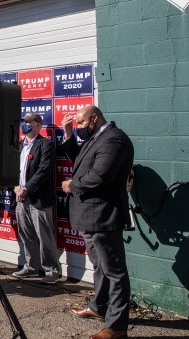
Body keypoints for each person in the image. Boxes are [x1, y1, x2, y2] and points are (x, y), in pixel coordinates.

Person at [61, 106, 134, 339]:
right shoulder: (97, 137)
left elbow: (99, 176)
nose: (79, 127)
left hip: (103, 215)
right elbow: (82, 162)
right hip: (90, 216)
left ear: (94, 118)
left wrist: (71, 185)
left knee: (114, 272)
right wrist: (68, 133)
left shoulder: (114, 139)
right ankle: (98, 308)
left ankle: (116, 327)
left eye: (81, 123)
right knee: (99, 266)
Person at [12, 113, 60, 284]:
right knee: (26, 235)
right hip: (20, 198)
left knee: (44, 235)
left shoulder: (45, 144)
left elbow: (44, 170)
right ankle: (31, 267)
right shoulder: (18, 146)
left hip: (38, 198)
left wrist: (26, 188)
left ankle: (51, 270)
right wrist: (16, 187)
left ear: (38, 125)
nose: (24, 126)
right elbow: (12, 171)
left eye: (28, 123)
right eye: (23, 122)